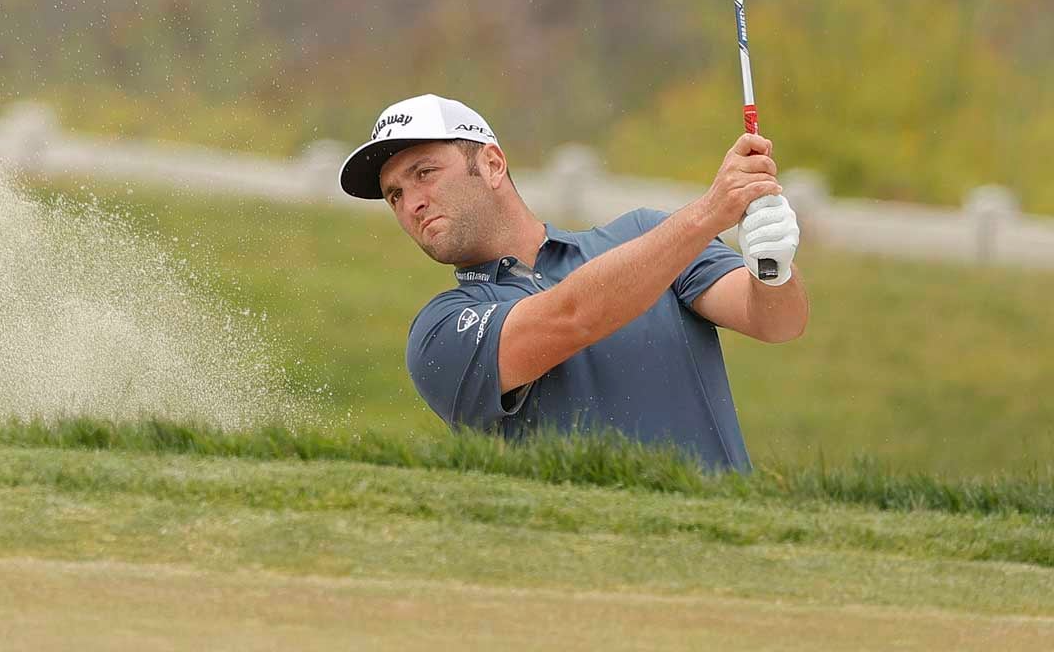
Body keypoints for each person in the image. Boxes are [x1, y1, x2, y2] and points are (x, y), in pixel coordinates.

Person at [338, 94, 807, 472]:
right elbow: (572, 318)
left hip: (732, 557)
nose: (412, 203)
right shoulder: (439, 332)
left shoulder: (649, 234)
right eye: (395, 194)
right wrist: (709, 214)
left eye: (425, 173)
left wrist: (775, 267)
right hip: (586, 572)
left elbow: (777, 323)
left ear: (493, 165)